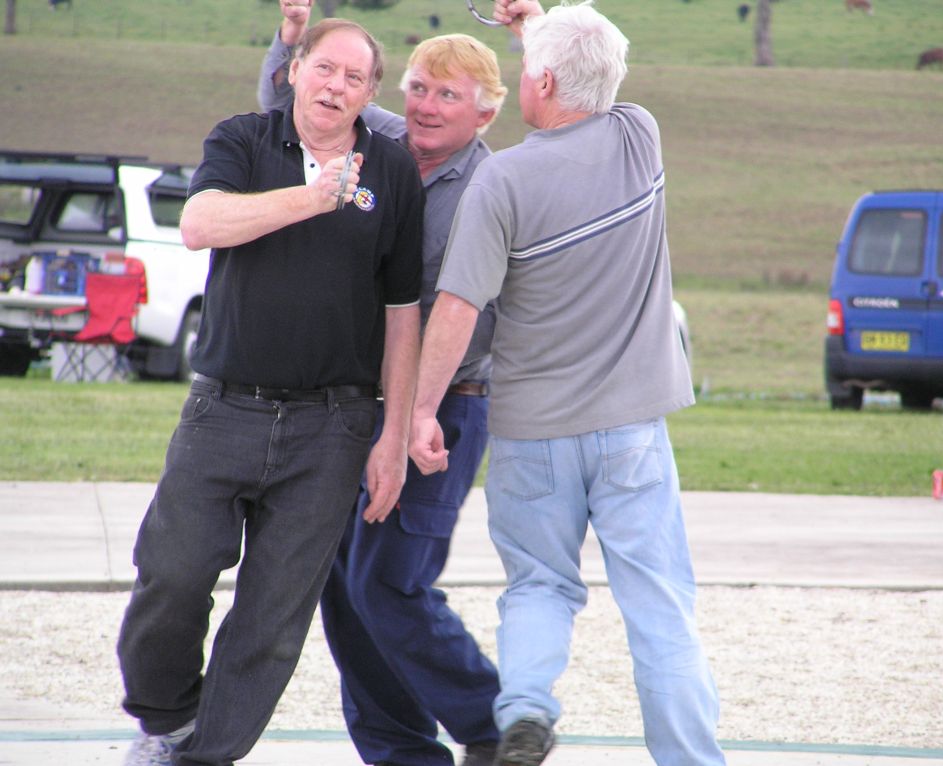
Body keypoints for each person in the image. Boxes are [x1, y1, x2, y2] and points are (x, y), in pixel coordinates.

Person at [408, 2, 727, 765]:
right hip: (632, 433)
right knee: (660, 606)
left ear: (543, 81)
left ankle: (525, 710)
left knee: (539, 587)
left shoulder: (502, 180)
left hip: (533, 435)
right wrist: (539, 27)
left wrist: (420, 410)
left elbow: (457, 308)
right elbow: (579, 79)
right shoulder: (639, 137)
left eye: (528, 68)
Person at [116, 18, 425, 766]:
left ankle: (205, 756)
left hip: (334, 427)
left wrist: (392, 436)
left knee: (272, 622)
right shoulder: (243, 139)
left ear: (371, 95)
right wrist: (310, 198)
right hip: (223, 408)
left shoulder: (392, 170)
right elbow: (199, 224)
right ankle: (166, 719)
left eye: (355, 78)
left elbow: (402, 311)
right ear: (294, 70)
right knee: (172, 574)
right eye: (325, 69)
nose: (336, 87)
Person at [258, 3, 508, 765]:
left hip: (447, 408)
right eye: (420, 88)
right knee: (343, 589)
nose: (427, 106)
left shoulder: (494, 186)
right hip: (355, 403)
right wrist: (291, 39)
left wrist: (418, 412)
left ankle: (498, 729)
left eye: (449, 95)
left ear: (485, 112)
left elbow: (470, 319)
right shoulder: (381, 138)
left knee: (390, 583)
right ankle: (401, 753)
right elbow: (289, 106)